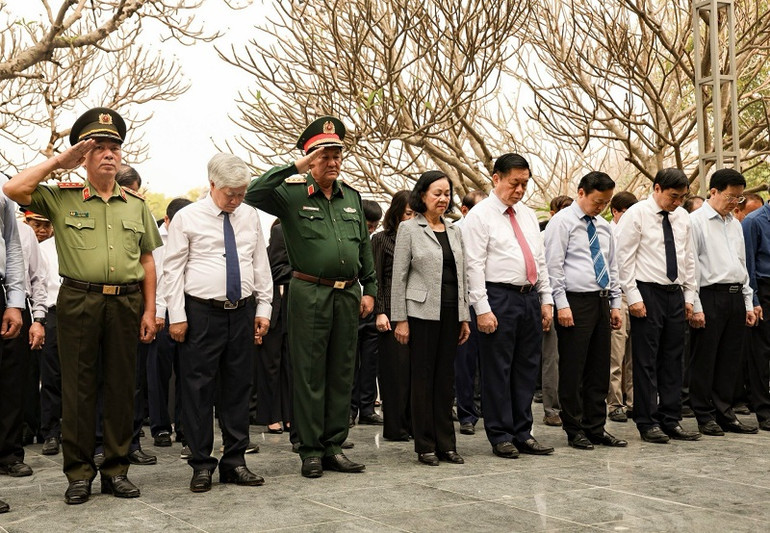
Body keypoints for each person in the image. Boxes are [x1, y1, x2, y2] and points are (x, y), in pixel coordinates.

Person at [3, 107, 162, 504]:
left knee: (122, 389)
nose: (109, 154)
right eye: (99, 148)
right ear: (84, 156)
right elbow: (13, 189)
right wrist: (59, 162)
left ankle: (116, 470)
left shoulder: (136, 204)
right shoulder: (62, 197)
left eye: (114, 148)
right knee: (78, 391)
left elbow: (147, 259)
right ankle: (78, 473)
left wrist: (149, 310)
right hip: (78, 300)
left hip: (125, 301)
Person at [244, 116, 376, 478]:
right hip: (310, 291)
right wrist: (296, 167)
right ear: (310, 158)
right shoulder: (291, 193)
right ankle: (310, 449)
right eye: (324, 156)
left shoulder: (351, 197)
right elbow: (253, 192)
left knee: (341, 371)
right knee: (309, 372)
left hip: (347, 294)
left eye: (337, 156)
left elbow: (363, 247)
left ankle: (334, 445)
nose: (332, 162)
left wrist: (370, 288)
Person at [162, 153, 272, 493]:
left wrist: (264, 307)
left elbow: (259, 262)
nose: (236, 200)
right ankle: (201, 463)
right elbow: (172, 270)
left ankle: (235, 461)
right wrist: (177, 316)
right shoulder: (187, 217)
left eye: (241, 193)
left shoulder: (249, 215)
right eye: (230, 194)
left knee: (238, 388)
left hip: (241, 311)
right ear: (212, 185)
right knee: (198, 389)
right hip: (201, 314)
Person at [463, 153, 555, 458]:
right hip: (497, 296)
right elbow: (473, 265)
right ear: (496, 178)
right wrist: (482, 309)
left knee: (526, 368)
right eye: (514, 183)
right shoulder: (480, 216)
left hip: (529, 296)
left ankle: (523, 432)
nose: (519, 190)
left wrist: (546, 299)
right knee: (498, 369)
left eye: (525, 184)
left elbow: (539, 259)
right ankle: (500, 434)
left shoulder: (526, 214)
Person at [615, 168, 700, 443]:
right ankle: (647, 421)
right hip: (647, 291)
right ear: (657, 188)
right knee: (646, 360)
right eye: (673, 196)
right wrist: (633, 296)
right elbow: (623, 258)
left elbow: (688, 259)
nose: (677, 202)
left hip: (675, 292)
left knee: (674, 359)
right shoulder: (637, 214)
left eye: (682, 197)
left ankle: (671, 418)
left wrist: (689, 297)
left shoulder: (682, 217)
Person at [391, 171, 471, 465]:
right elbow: (399, 277)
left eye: (447, 193)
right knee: (423, 378)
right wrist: (400, 319)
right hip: (420, 312)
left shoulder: (455, 230)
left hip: (451, 312)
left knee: (445, 379)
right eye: (437, 193)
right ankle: (425, 444)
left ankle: (446, 444)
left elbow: (462, 276)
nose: (443, 199)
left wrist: (464, 316)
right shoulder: (409, 229)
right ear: (422, 195)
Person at [544, 171, 626, 450]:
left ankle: (596, 427)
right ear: (581, 193)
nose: (601, 207)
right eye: (597, 201)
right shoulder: (562, 222)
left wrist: (615, 303)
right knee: (573, 368)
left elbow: (612, 266)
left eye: (606, 202)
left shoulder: (604, 227)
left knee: (599, 369)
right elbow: (553, 267)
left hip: (601, 300)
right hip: (574, 302)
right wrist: (561, 304)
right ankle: (574, 428)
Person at [688, 169, 757, 436]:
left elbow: (742, 264)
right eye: (730, 196)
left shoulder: (735, 223)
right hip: (709, 294)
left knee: (730, 359)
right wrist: (695, 305)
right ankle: (704, 414)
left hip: (735, 294)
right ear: (713, 191)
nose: (734, 203)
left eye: (739, 198)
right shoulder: (696, 221)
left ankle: (725, 412)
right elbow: (691, 266)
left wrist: (748, 303)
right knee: (705, 358)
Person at [147, 197, 192, 456]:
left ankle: (185, 427)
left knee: (188, 373)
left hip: (188, 313)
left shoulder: (192, 234)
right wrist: (157, 311)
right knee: (158, 374)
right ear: (167, 220)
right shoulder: (154, 239)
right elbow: (155, 278)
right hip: (161, 316)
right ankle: (160, 427)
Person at [372, 191, 414, 441]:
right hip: (388, 310)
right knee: (394, 372)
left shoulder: (420, 237)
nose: (412, 218)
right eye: (408, 213)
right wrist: (380, 311)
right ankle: (396, 427)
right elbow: (375, 277)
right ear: (396, 213)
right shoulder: (381, 239)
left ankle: (413, 424)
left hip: (416, 309)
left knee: (413, 372)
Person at [0, 184, 28, 513]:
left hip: (1, 294)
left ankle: (7, 454)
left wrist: (14, 301)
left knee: (7, 386)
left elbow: (12, 247)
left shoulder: (2, 189)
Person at [253, 221, 293, 436]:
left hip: (294, 309)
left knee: (290, 365)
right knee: (270, 365)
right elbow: (274, 272)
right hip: (272, 310)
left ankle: (289, 415)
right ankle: (271, 416)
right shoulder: (280, 233)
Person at [454, 189, 487, 435]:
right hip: (465, 303)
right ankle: (467, 414)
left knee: (490, 362)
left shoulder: (492, 227)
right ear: (464, 210)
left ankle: (488, 408)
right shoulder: (455, 231)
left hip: (491, 300)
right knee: (465, 362)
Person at [539, 195, 574, 427]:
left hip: (576, 299)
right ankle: (551, 408)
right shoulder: (544, 236)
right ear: (552, 213)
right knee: (552, 357)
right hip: (551, 299)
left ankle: (571, 405)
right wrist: (547, 303)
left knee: (573, 357)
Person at [350, 200, 384, 427]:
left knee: (370, 363)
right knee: (350, 363)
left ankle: (368, 408)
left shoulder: (376, 243)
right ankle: (349, 410)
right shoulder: (349, 240)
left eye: (374, 226)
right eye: (368, 224)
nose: (370, 229)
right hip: (351, 307)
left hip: (372, 309)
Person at [607, 191, 638, 423]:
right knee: (616, 355)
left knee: (635, 356)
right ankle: (614, 403)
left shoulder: (637, 230)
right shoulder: (608, 232)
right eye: (625, 213)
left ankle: (634, 402)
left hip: (637, 295)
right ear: (615, 212)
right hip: (617, 296)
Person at [742, 186, 770, 431]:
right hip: (764, 287)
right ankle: (763, 409)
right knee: (761, 353)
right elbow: (748, 264)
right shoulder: (754, 221)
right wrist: (754, 299)